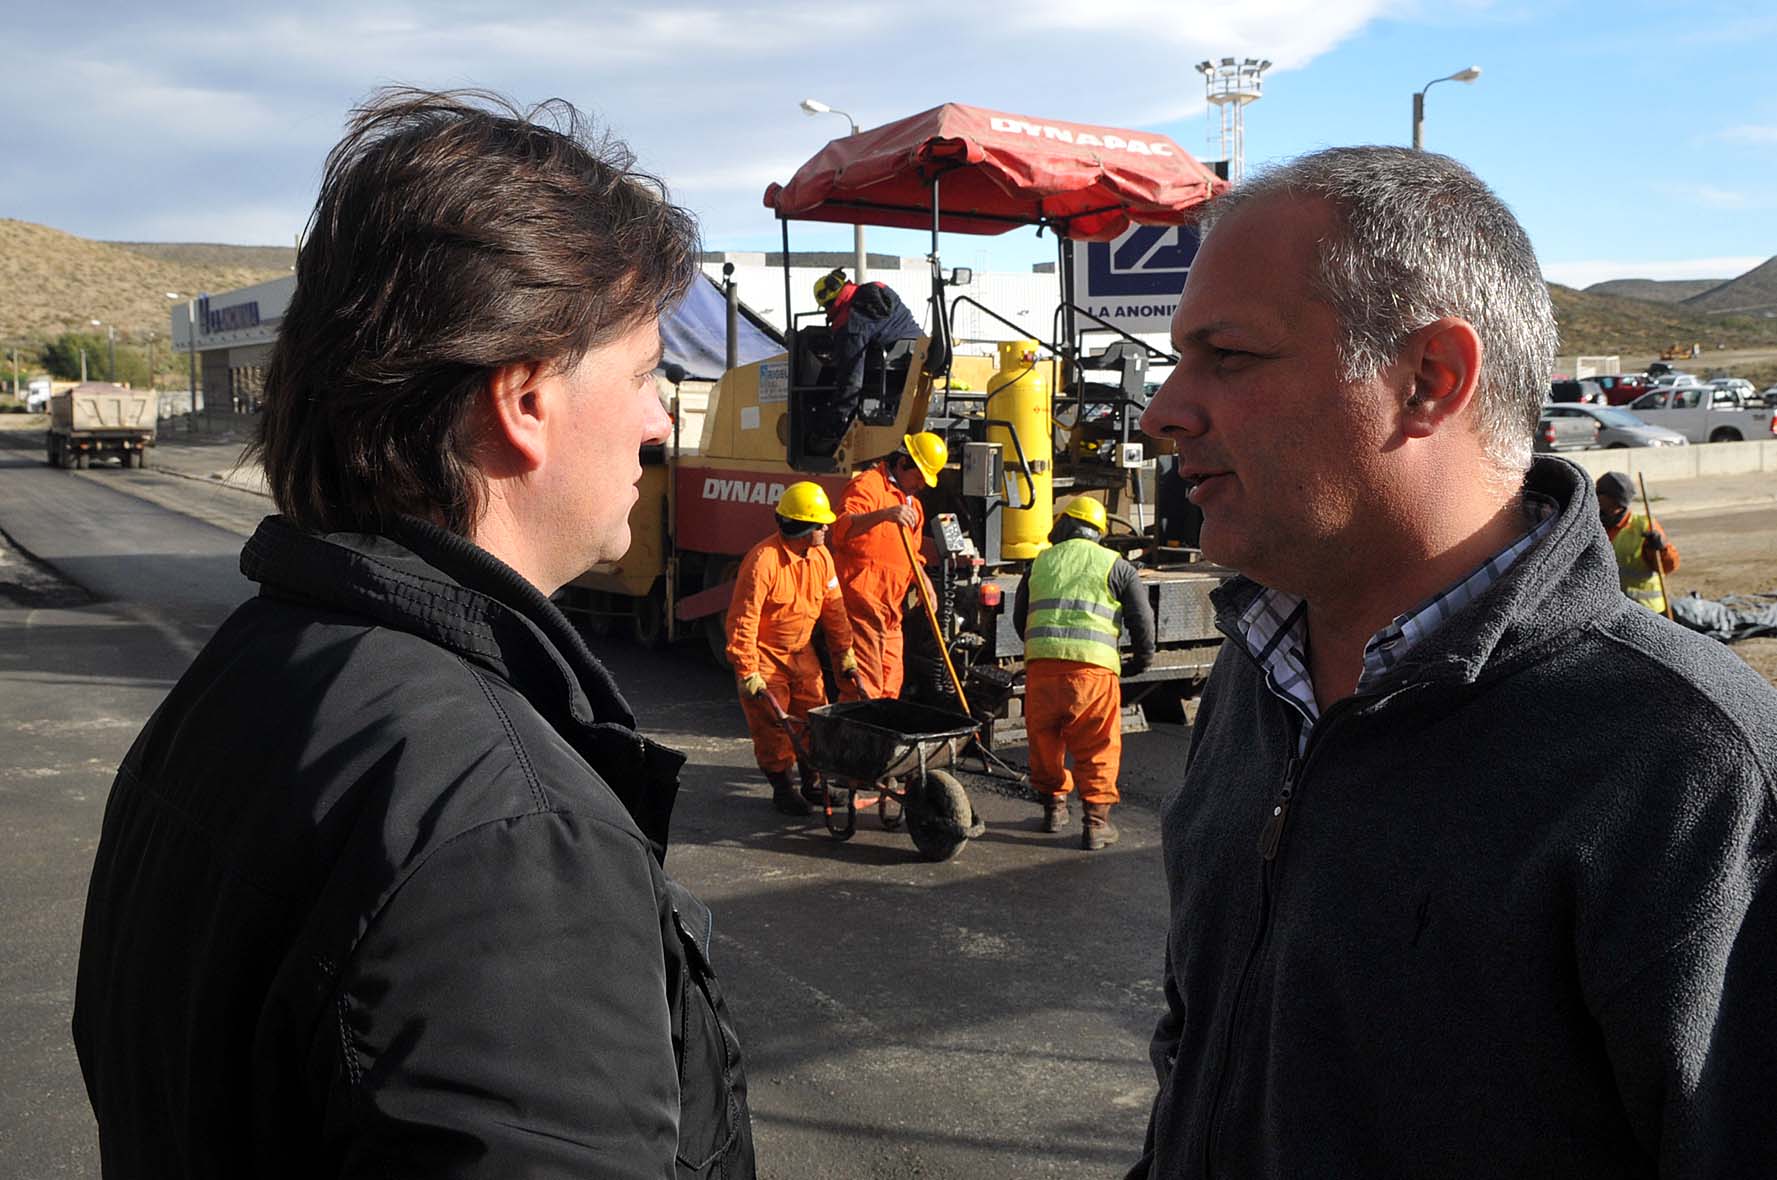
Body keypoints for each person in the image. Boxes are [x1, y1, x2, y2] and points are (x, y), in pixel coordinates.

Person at [71, 89, 758, 1178]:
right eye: (642, 376)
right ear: (524, 399)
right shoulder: (508, 835)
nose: (659, 421)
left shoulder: (249, 676)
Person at [1131, 145, 1777, 1177]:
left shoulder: (1689, 765)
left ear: (1429, 379)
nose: (1163, 410)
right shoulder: (1252, 683)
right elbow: (1197, 1043)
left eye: (1230, 357)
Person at [1012, 497, 1155, 850]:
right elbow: (1142, 619)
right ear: (1098, 532)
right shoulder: (1116, 566)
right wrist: (1142, 660)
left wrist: (1042, 649)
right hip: (1093, 673)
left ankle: (1053, 810)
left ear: (1063, 525)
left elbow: (1020, 618)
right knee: (1098, 746)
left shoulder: (1039, 563)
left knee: (1044, 741)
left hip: (1042, 669)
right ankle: (1095, 824)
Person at [727, 481, 858, 815]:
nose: (827, 528)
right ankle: (783, 789)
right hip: (766, 659)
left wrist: (845, 653)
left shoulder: (821, 559)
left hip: (802, 656)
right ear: (803, 528)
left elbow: (835, 612)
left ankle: (814, 784)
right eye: (820, 524)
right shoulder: (763, 562)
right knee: (774, 726)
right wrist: (748, 672)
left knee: (816, 717)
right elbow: (743, 621)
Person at [830, 432, 946, 700]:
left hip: (891, 610)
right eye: (918, 477)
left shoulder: (912, 505)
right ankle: (855, 738)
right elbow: (840, 529)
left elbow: (912, 554)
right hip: (862, 601)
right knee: (865, 687)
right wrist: (884, 515)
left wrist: (924, 581)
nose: (921, 485)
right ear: (903, 462)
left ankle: (876, 737)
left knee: (890, 687)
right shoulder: (868, 485)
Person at [808, 268, 921, 446]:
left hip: (889, 382)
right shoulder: (879, 289)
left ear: (828, 303)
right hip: (918, 360)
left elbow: (851, 381)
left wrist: (835, 425)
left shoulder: (849, 322)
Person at [1596, 470, 1679, 613]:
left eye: (1600, 493)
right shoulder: (1595, 525)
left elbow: (1669, 566)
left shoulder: (1644, 527)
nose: (1596, 497)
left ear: (1615, 500)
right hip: (1610, 610)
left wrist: (1661, 548)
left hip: (1645, 610)